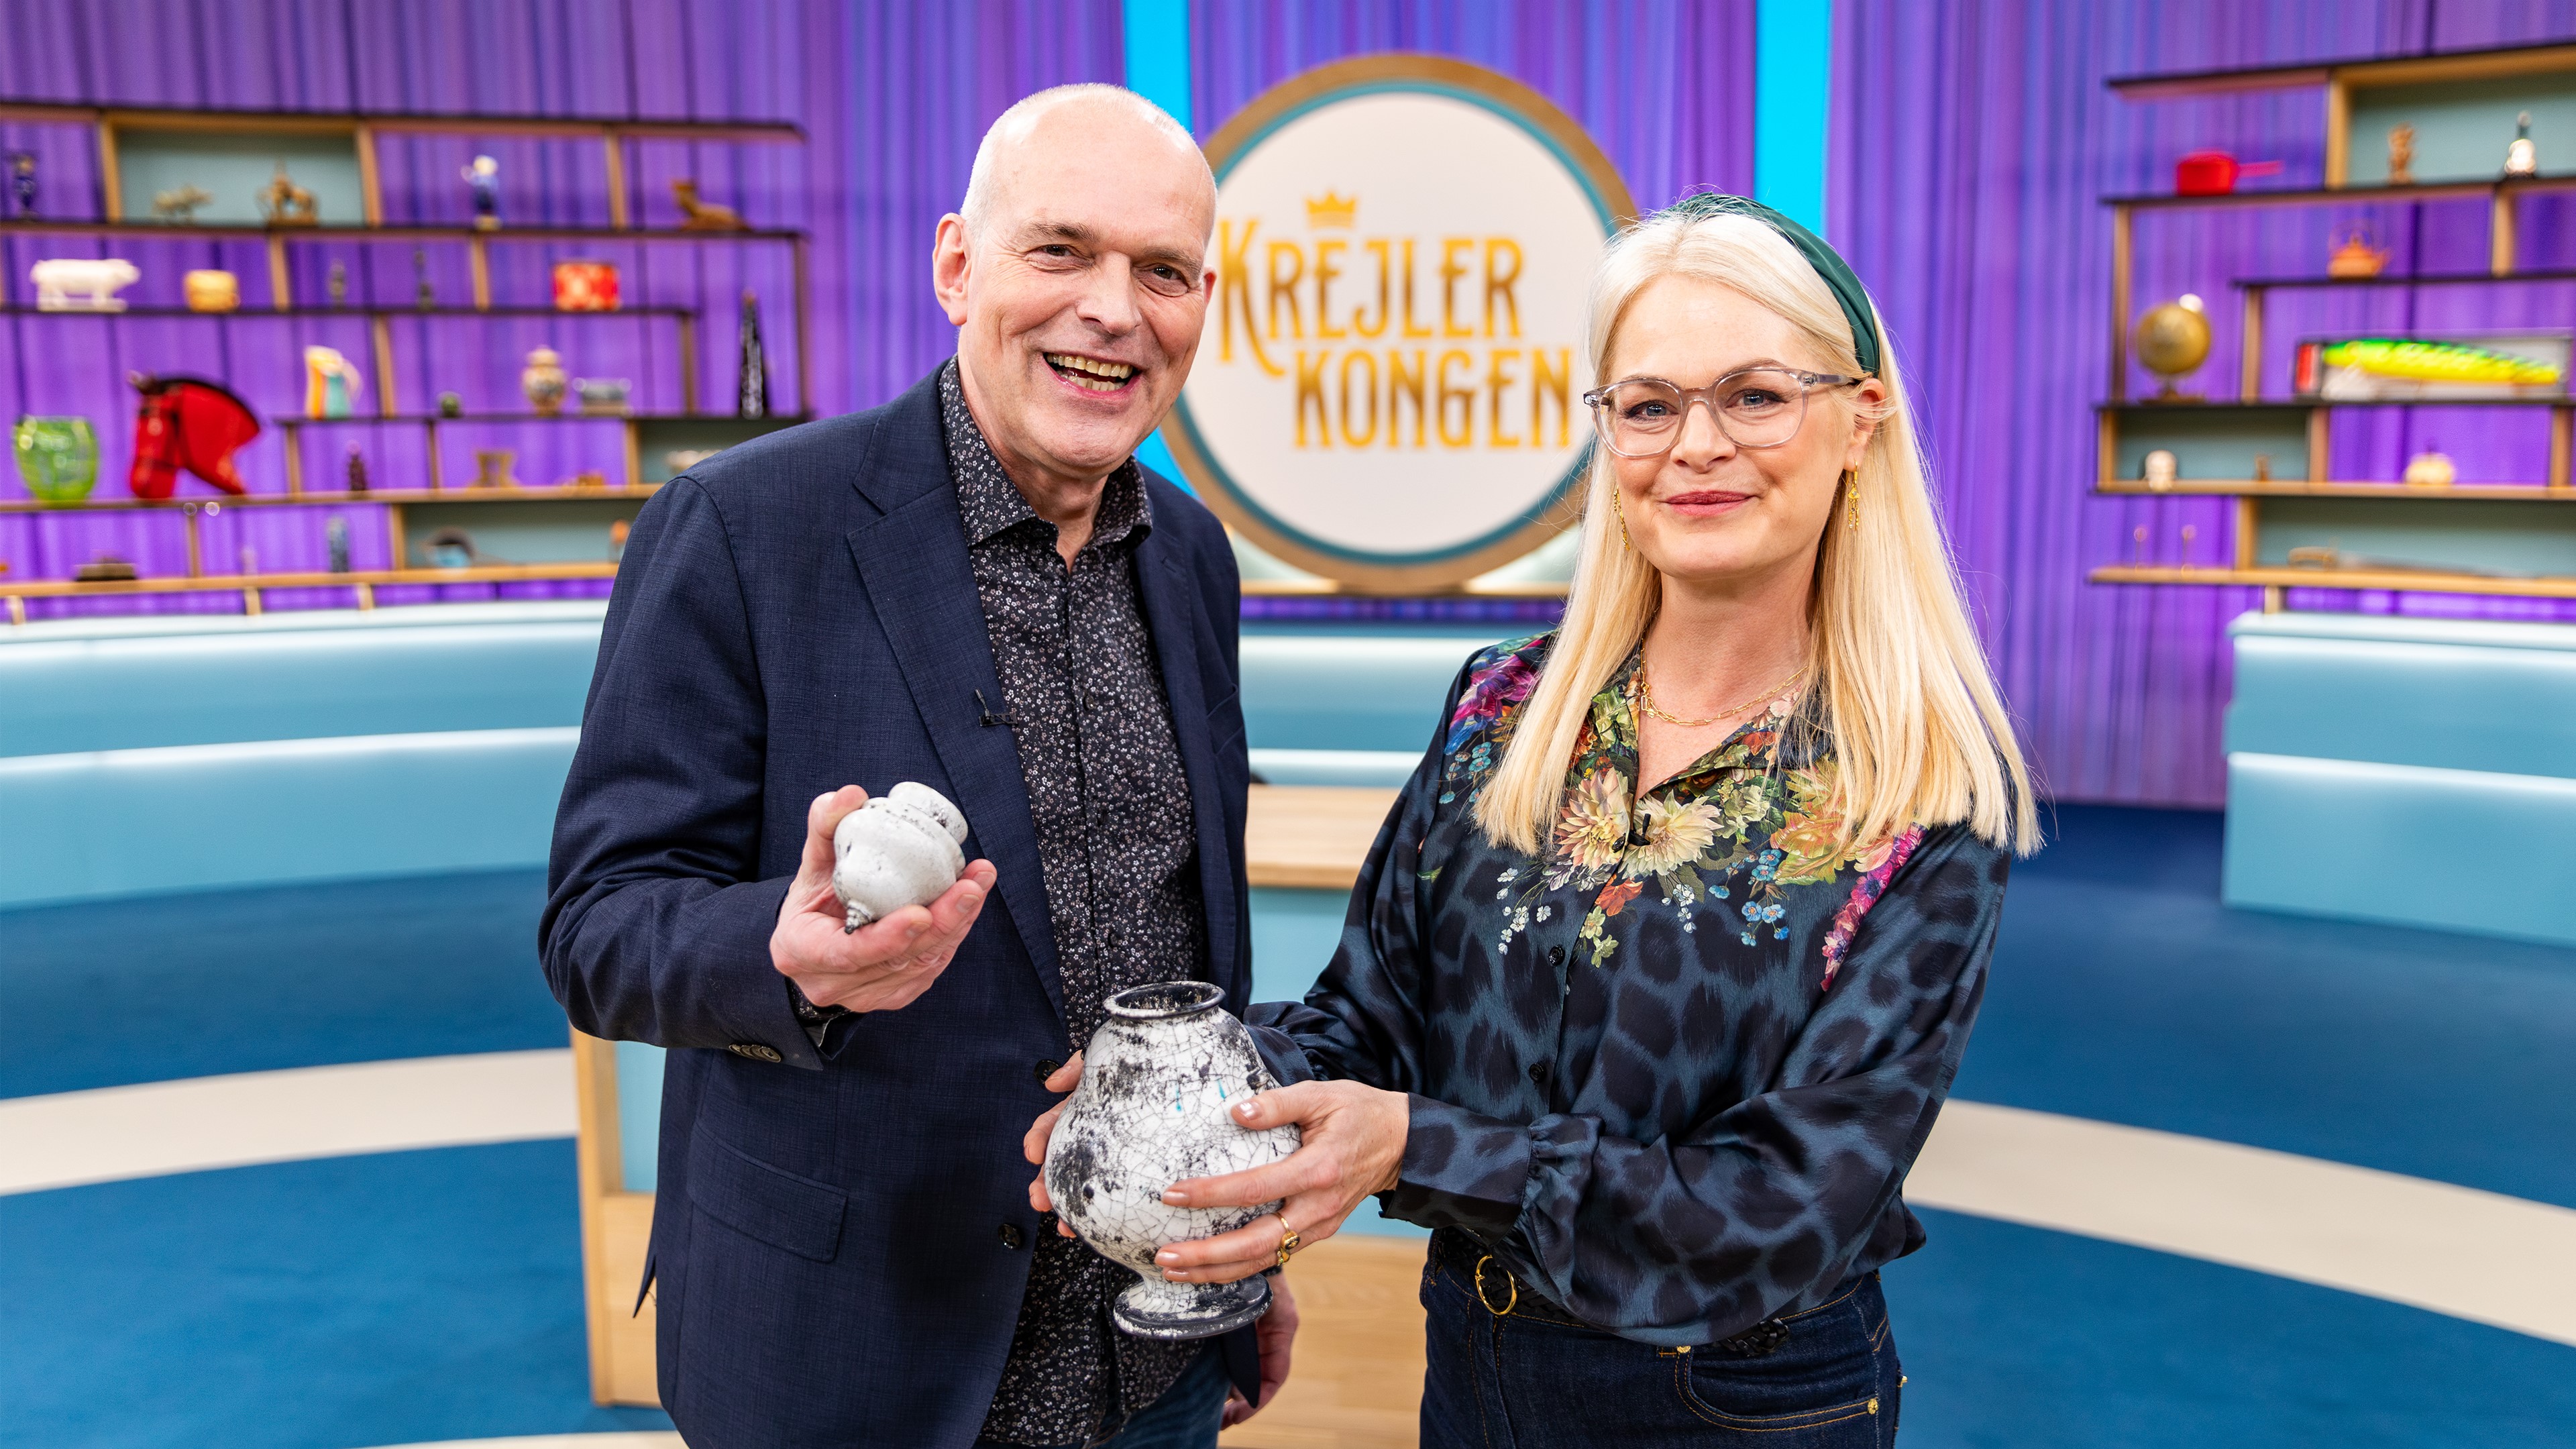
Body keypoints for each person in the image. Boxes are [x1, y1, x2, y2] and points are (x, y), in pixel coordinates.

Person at [1038, 193, 2037, 1447]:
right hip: (1475, 1358)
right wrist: (1196, 1087)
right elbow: (1369, 1021)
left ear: (1861, 418)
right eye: (1650, 406)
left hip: (1743, 1401)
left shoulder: (1924, 788)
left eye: (1756, 397)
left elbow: (1785, 1204)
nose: (1697, 446)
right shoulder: (1502, 708)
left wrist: (1413, 1148)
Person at [543, 85, 1294, 1449]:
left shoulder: (1192, 557)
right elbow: (598, 927)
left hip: (1151, 1352)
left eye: (1162, 271)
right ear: (957, 265)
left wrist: (1239, 1245)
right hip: (850, 1359)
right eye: (1060, 250)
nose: (1113, 310)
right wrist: (783, 958)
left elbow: (1194, 943)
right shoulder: (741, 527)